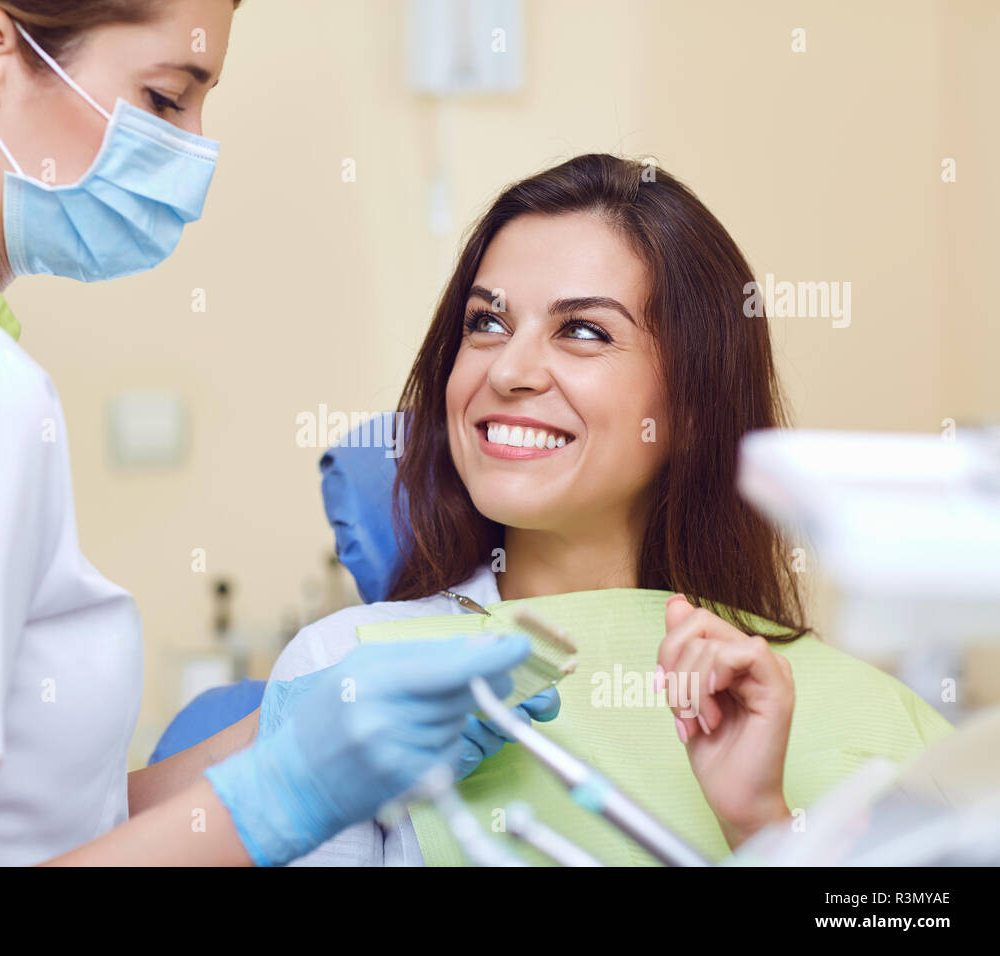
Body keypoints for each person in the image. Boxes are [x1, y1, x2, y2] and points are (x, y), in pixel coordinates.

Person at [0, 0, 557, 867]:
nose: (195, 155)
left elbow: (28, 831)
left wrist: (282, 734)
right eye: (164, 100)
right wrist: (282, 798)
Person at [268, 153, 954, 865]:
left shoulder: (874, 719)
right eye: (486, 323)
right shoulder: (347, 670)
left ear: (691, 407)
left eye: (584, 331)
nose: (507, 371)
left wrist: (763, 828)